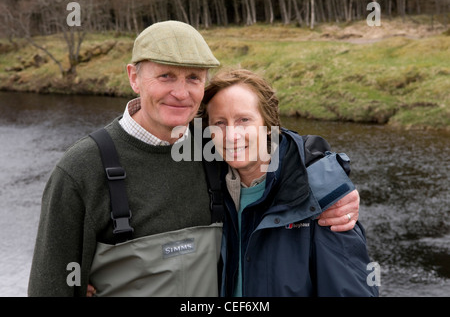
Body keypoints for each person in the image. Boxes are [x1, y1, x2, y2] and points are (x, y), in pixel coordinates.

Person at [28, 21, 360, 297]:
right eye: (166, 76)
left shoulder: (212, 147)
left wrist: (329, 183)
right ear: (133, 77)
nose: (181, 93)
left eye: (193, 78)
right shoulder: (81, 171)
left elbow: (274, 142)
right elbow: (51, 287)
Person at [200, 68, 378, 296]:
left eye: (244, 120)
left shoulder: (320, 198)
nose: (231, 135)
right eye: (220, 123)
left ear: (268, 125)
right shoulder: (208, 186)